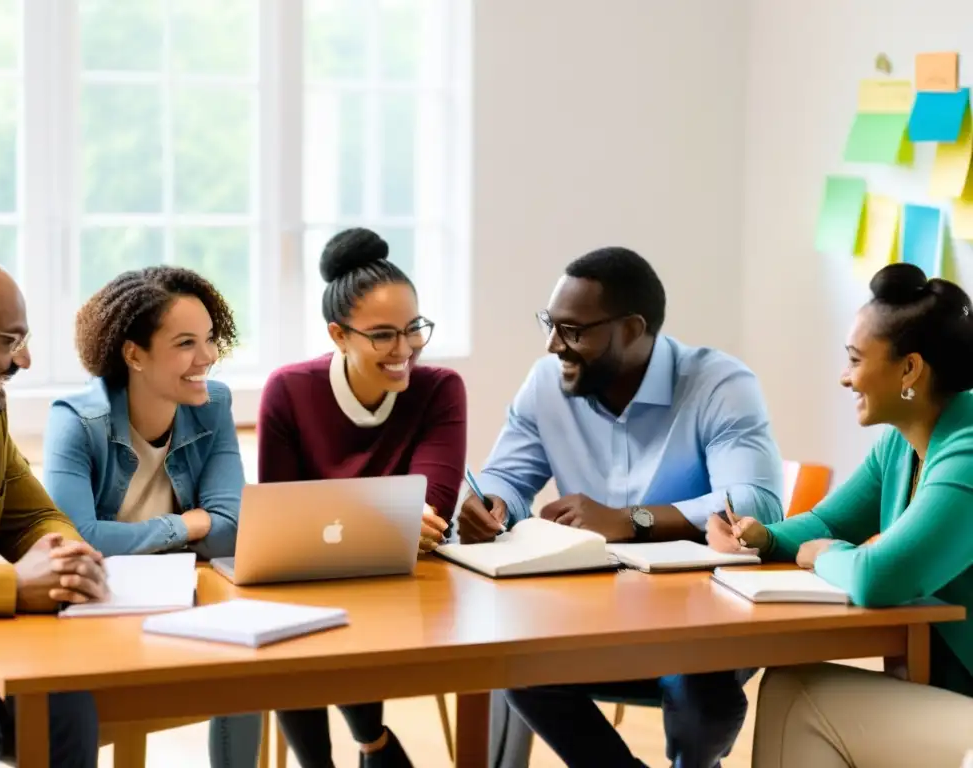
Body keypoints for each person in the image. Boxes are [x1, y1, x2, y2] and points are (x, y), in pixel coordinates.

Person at [457, 247, 784, 768]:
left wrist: (634, 520)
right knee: (517, 665)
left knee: (700, 694)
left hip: (702, 618)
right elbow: (507, 478)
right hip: (589, 616)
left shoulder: (719, 384)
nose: (552, 344)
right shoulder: (546, 385)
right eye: (550, 325)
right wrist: (492, 503)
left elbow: (756, 503)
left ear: (632, 329)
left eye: (572, 330)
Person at [707, 262, 973, 768]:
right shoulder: (902, 444)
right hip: (950, 694)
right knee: (792, 685)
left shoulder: (968, 449)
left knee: (798, 698)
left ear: (910, 369)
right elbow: (827, 523)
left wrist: (827, 555)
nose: (844, 377)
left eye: (854, 360)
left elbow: (881, 576)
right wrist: (761, 537)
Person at [257, 227, 466, 767]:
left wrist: (344, 518)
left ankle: (371, 744)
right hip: (310, 582)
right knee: (292, 620)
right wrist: (387, 516)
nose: (406, 350)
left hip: (407, 585)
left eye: (413, 328)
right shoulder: (289, 390)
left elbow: (431, 506)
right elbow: (280, 520)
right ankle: (367, 746)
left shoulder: (440, 389)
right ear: (338, 334)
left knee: (325, 616)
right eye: (383, 335)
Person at [41, 266, 257, 768]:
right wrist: (187, 525)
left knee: (248, 670)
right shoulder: (75, 420)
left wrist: (194, 529)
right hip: (96, 604)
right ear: (133, 354)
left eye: (209, 339)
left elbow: (233, 525)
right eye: (186, 343)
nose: (207, 358)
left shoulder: (213, 404)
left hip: (179, 594)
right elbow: (80, 540)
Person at [0, 251, 107, 768]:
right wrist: (14, 585)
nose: (24, 359)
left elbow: (34, 516)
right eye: (10, 341)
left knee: (64, 695)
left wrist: (65, 560)